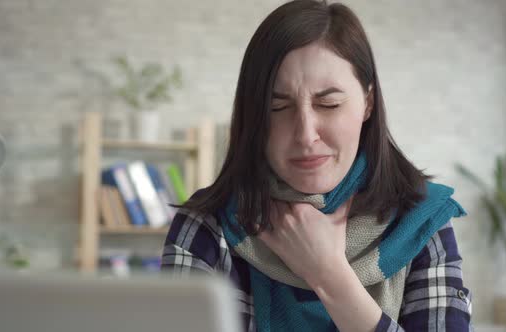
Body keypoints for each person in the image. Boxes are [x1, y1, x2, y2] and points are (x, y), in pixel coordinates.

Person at [161, 1, 473, 331]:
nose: (306, 135)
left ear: (367, 103)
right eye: (278, 107)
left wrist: (328, 274)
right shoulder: (207, 226)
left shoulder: (422, 222)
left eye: (328, 104)